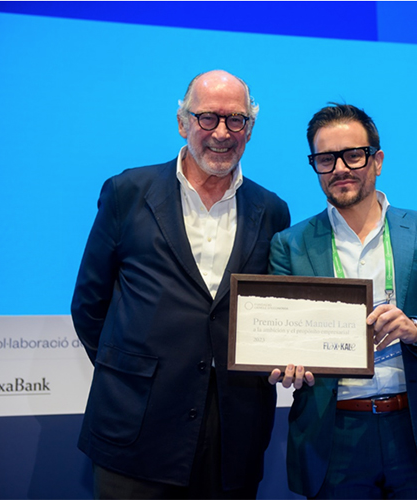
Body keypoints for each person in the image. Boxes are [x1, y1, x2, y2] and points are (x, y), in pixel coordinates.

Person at [71, 70, 290, 499]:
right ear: (182, 122)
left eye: (237, 120)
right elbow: (89, 304)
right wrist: (132, 375)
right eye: (208, 118)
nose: (222, 133)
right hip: (135, 427)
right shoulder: (127, 192)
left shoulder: (272, 209)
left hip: (233, 434)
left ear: (251, 128)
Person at [268, 103, 417, 499]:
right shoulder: (290, 245)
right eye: (325, 159)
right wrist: (284, 364)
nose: (340, 168)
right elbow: (282, 342)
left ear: (377, 160)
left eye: (353, 155)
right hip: (334, 438)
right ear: (315, 166)